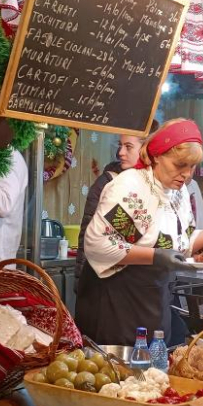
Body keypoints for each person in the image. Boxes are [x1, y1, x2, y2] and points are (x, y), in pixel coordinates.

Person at [77, 119, 203, 345]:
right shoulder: (132, 189)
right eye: (179, 165)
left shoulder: (177, 191)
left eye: (191, 167)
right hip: (120, 300)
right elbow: (100, 245)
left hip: (155, 298)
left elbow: (180, 243)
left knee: (154, 367)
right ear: (156, 156)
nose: (185, 175)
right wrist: (154, 256)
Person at [74, 122, 158, 291]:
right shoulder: (108, 183)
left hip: (147, 282)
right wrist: (81, 278)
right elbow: (88, 233)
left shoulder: (158, 187)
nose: (120, 153)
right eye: (121, 146)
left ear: (147, 149)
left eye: (128, 147)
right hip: (108, 279)